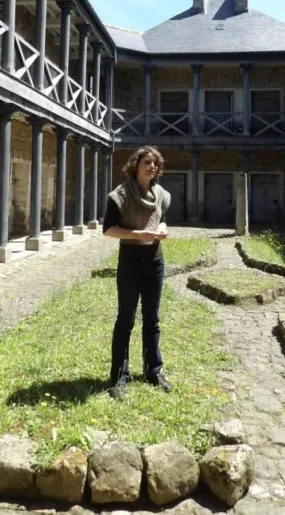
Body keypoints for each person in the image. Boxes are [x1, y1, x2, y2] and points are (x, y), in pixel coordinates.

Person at [103, 145, 172, 401]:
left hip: (155, 262)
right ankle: (120, 376)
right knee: (126, 320)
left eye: (155, 163)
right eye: (147, 162)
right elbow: (108, 229)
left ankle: (153, 371)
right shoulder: (120, 195)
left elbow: (162, 218)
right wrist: (138, 235)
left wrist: (161, 229)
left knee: (152, 319)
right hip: (130, 262)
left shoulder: (161, 195)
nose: (152, 167)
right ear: (136, 165)